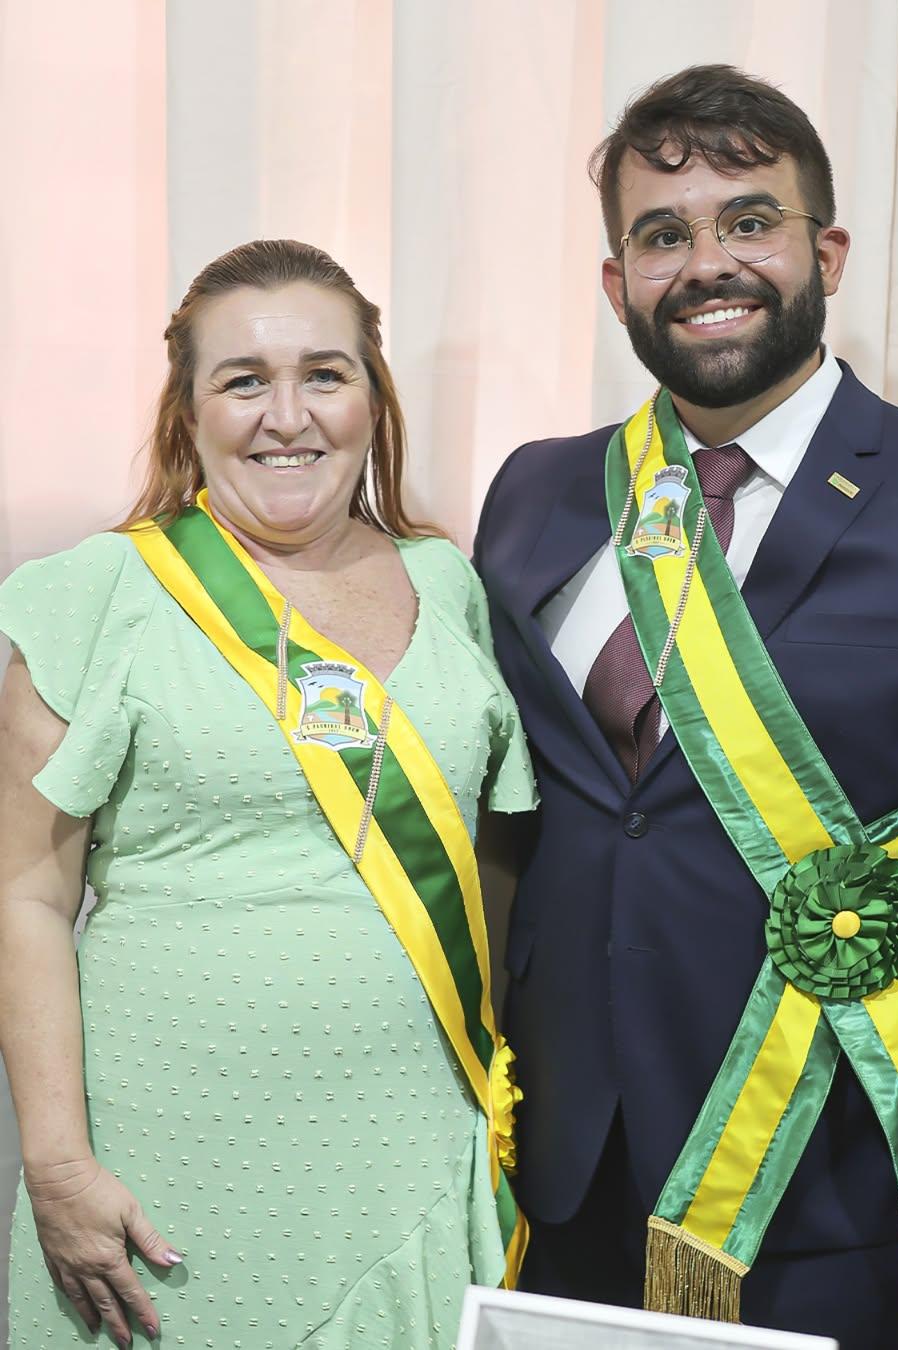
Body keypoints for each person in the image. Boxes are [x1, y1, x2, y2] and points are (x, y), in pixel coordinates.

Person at [472, 65, 898, 1350]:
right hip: (554, 1166)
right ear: (616, 281)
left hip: (828, 1180)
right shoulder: (538, 495)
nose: (710, 264)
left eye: (749, 221)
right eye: (662, 234)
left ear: (827, 251)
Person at [0, 238, 535, 1349]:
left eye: (324, 376)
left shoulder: (449, 583)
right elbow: (24, 900)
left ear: (371, 401)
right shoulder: (95, 594)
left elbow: (490, 866)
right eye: (244, 380)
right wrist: (54, 1166)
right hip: (171, 1162)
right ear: (186, 412)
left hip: (407, 1150)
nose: (287, 415)